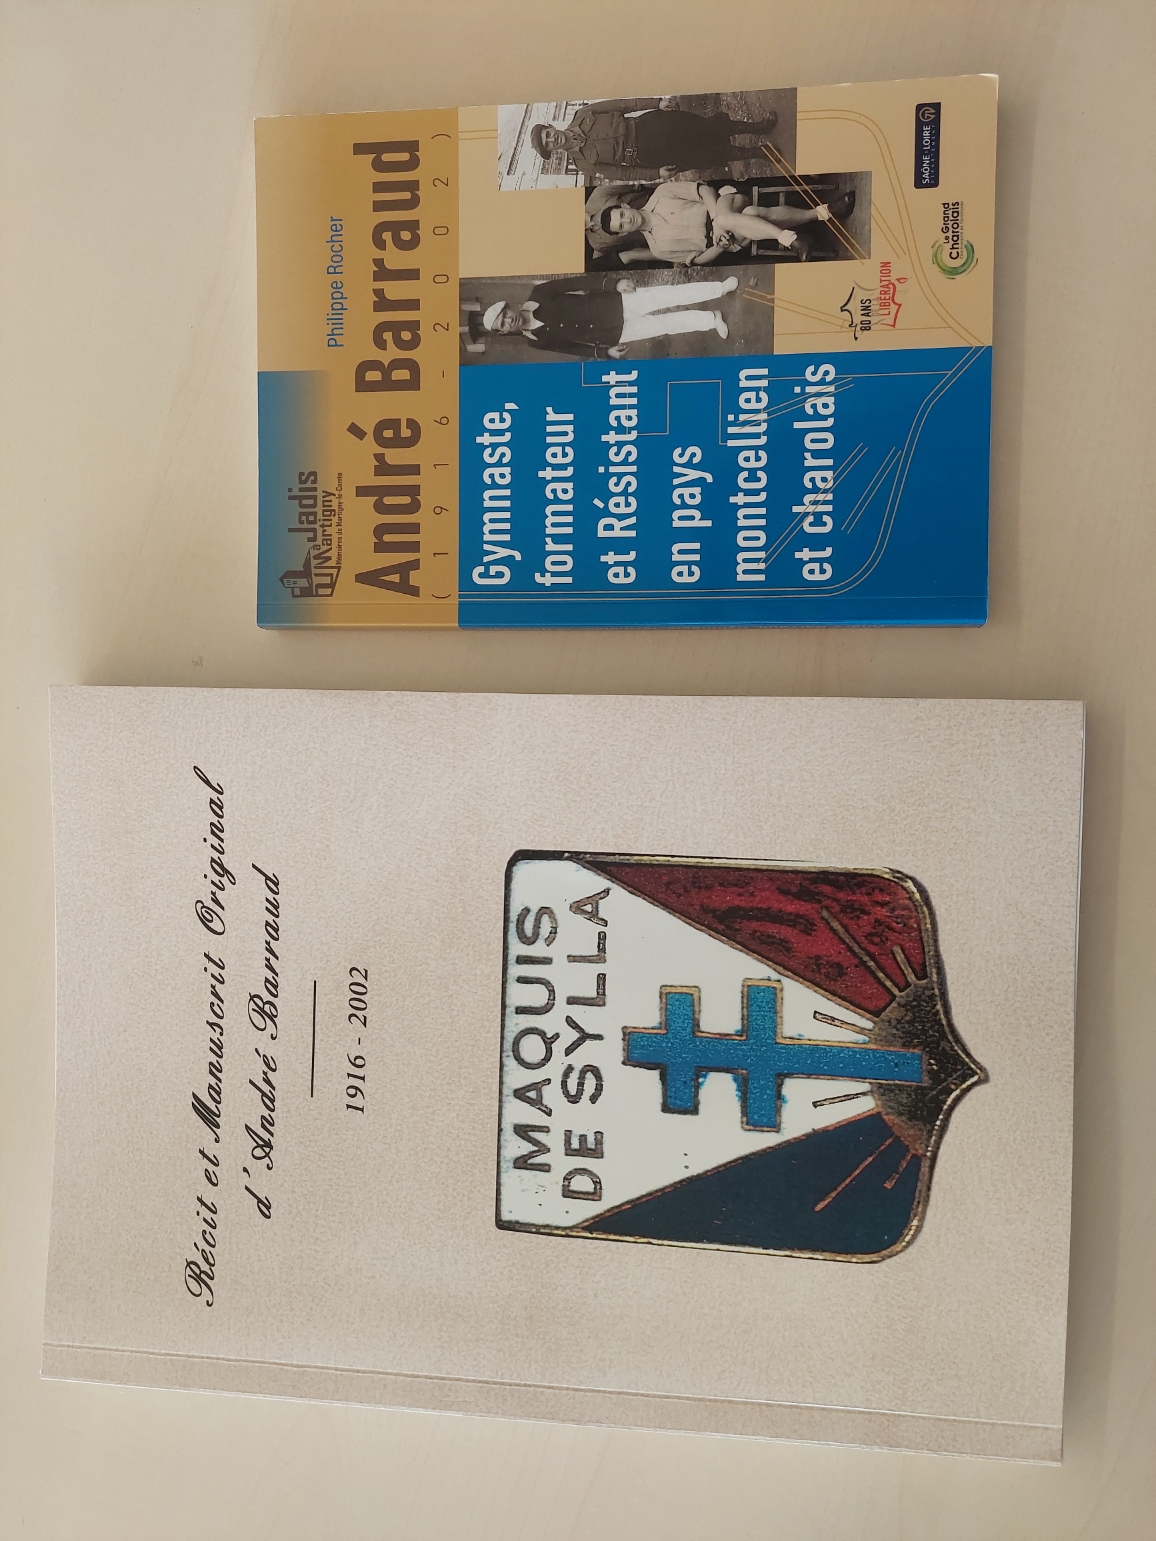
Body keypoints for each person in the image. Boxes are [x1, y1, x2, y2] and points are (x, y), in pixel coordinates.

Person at [471, 273, 742, 360]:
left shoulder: (539, 293)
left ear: (510, 307)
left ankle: (719, 288)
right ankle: (711, 320)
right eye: (503, 324)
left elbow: (577, 282)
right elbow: (570, 347)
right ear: (504, 332)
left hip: (614, 303)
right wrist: (603, 352)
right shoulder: (534, 340)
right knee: (664, 325)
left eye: (506, 314)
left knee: (668, 296)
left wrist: (612, 284)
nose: (509, 321)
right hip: (612, 333)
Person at [601, 182, 857, 264]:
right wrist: (720, 244)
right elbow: (697, 259)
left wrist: (717, 222)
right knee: (754, 213)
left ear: (625, 207)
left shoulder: (662, 193)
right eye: (621, 226)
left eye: (621, 215)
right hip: (729, 240)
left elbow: (704, 190)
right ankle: (825, 212)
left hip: (724, 203)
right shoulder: (658, 249)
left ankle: (793, 239)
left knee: (726, 217)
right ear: (623, 233)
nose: (627, 221)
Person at [531, 97, 777, 181]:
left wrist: (656, 103)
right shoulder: (583, 164)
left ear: (551, 127)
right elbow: (622, 174)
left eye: (548, 134)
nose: (553, 140)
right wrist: (655, 174)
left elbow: (623, 104)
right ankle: (758, 153)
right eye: (549, 144)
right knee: (704, 155)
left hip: (650, 125)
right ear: (553, 151)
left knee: (705, 127)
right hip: (647, 155)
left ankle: (758, 127)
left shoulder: (583, 114)